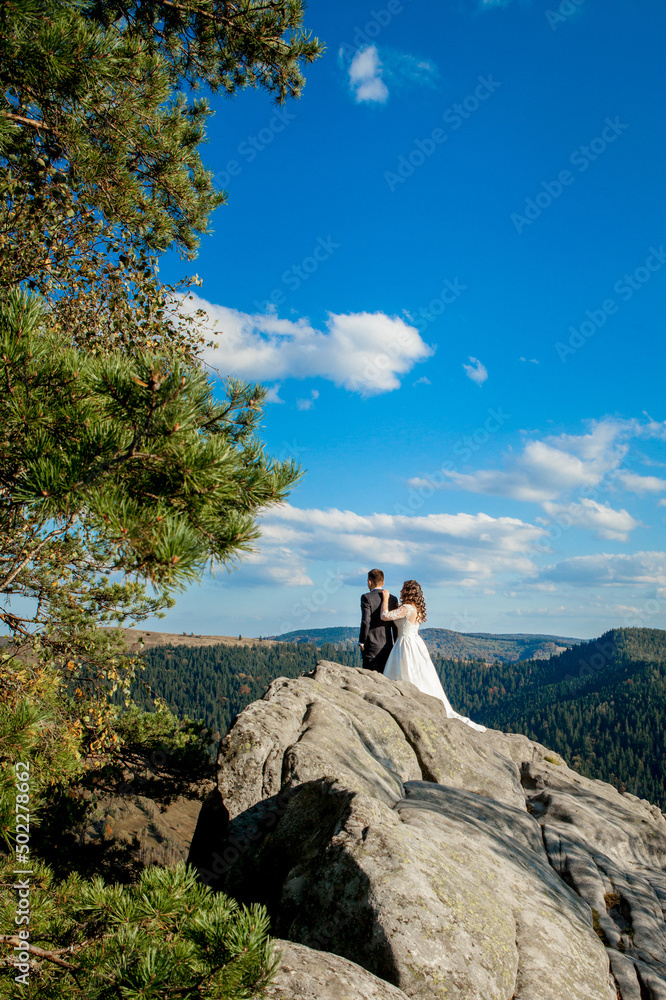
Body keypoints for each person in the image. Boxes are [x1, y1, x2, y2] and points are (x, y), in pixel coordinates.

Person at [380, 580, 486, 732]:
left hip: (405, 643)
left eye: (404, 589)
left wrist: (385, 599)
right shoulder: (416, 608)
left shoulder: (406, 608)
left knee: (406, 671)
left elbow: (384, 616)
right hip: (414, 642)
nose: (401, 591)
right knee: (418, 673)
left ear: (408, 591)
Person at [359, 568, 399, 672]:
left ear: (369, 582)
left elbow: (365, 621)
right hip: (388, 645)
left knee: (370, 678)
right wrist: (396, 643)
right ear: (383, 582)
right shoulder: (393, 599)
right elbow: (395, 625)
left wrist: (362, 641)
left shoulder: (366, 597)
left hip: (371, 645)